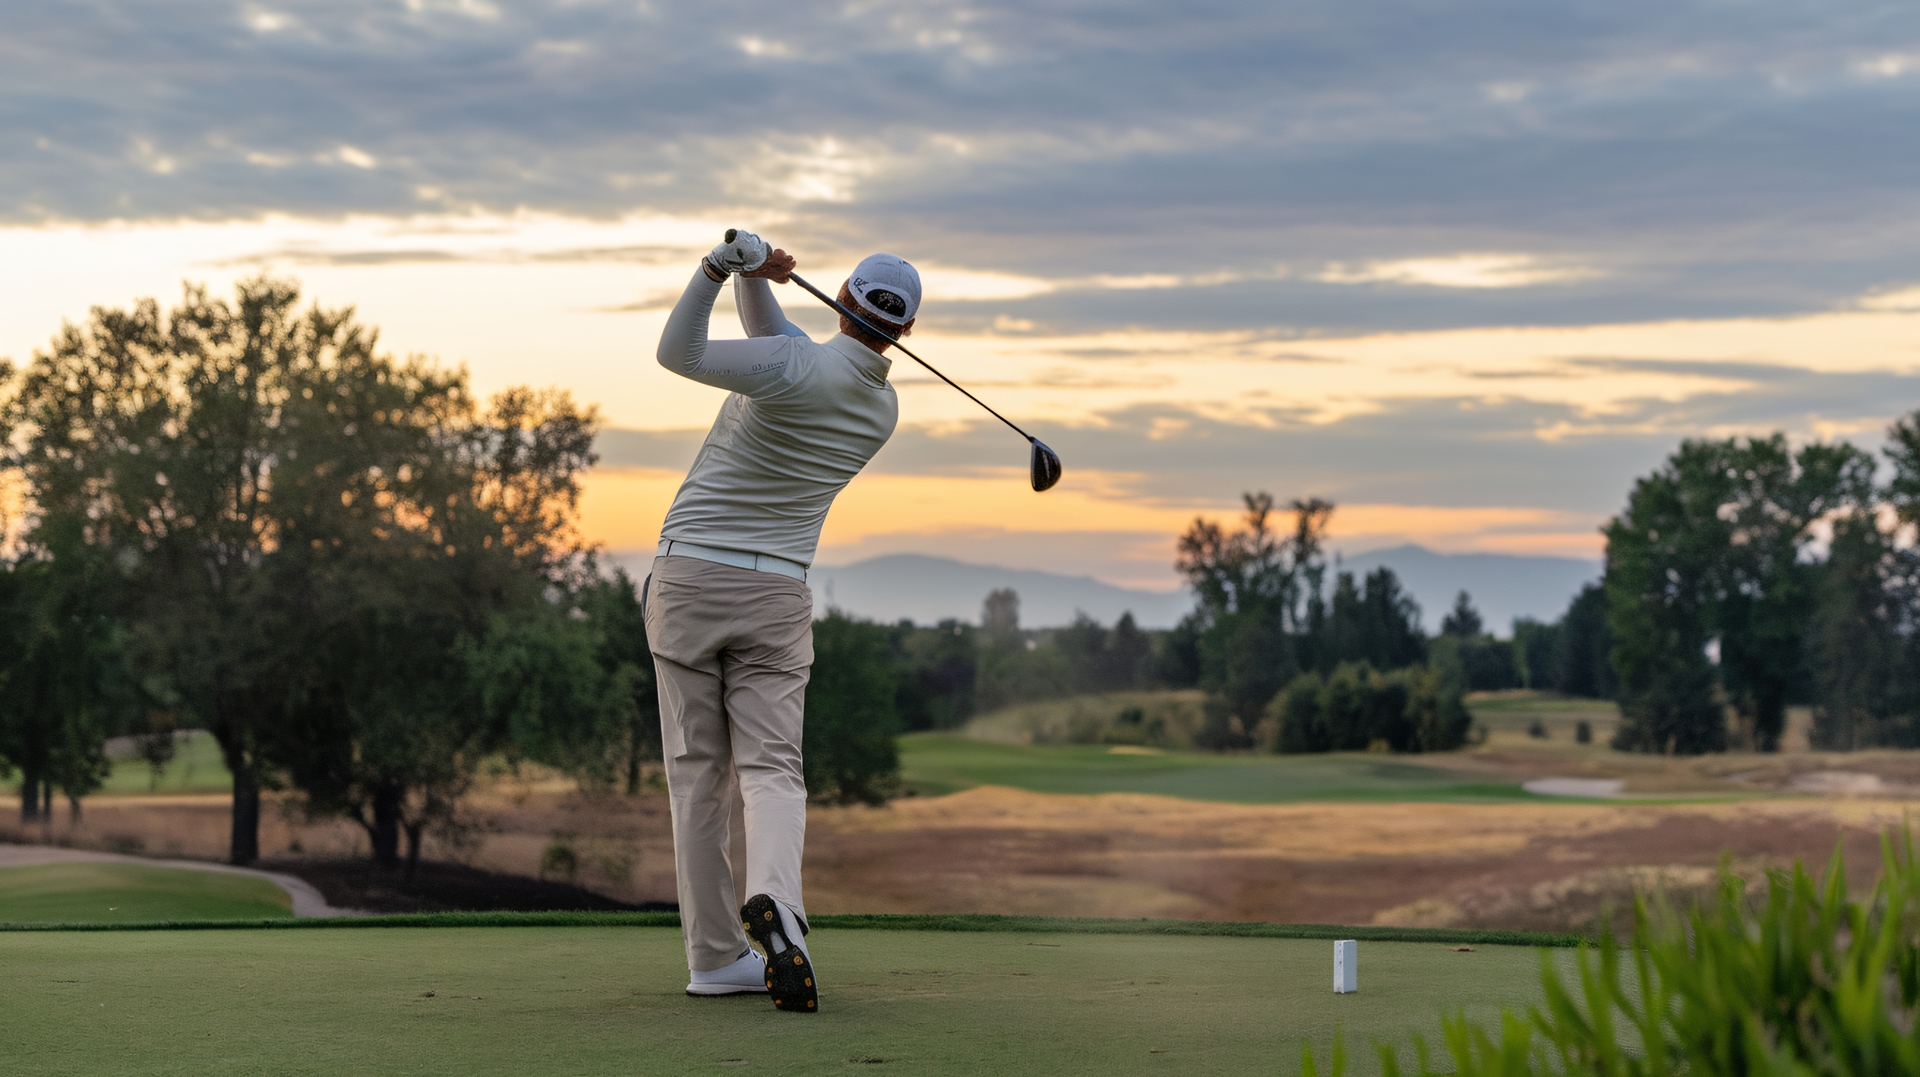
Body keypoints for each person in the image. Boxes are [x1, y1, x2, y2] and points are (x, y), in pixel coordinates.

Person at [646, 229, 920, 1013]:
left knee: (698, 775)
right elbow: (780, 345)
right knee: (773, 770)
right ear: (902, 331)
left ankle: (712, 957)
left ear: (842, 301)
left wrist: (715, 268)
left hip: (691, 577)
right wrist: (756, 277)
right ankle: (780, 910)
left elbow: (679, 353)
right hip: (777, 596)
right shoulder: (879, 406)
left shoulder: (797, 366)